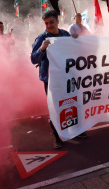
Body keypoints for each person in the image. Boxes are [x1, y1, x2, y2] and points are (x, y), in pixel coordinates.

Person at [31, 10, 88, 149]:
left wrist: (75, 40)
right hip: (50, 79)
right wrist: (42, 48)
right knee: (55, 107)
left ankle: (76, 130)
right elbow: (33, 59)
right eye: (46, 23)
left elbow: (75, 50)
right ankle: (57, 137)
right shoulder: (41, 38)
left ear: (58, 21)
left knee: (74, 102)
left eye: (51, 22)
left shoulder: (65, 34)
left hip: (68, 76)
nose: (49, 25)